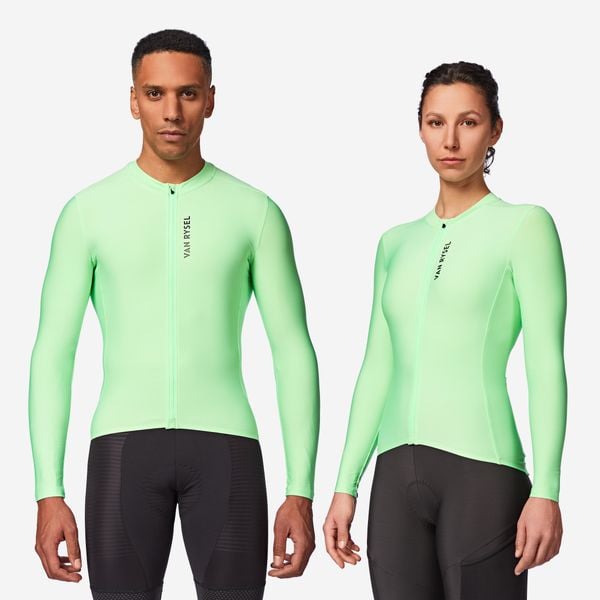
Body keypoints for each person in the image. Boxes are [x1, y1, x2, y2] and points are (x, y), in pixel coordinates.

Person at [28, 29, 320, 600]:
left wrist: (300, 489)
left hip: (227, 450)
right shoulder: (87, 212)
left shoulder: (255, 212)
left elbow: (293, 350)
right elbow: (52, 354)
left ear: (210, 99)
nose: (171, 112)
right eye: (155, 93)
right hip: (122, 452)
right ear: (132, 100)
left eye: (187, 93)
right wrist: (47, 491)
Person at [323, 61, 567, 600]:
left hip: (483, 475)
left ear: (495, 130)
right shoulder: (394, 243)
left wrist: (547, 489)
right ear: (421, 129)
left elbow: (545, 361)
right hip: (394, 481)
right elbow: (377, 366)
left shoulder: (525, 226)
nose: (450, 140)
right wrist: (344, 484)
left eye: (468, 122)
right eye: (436, 123)